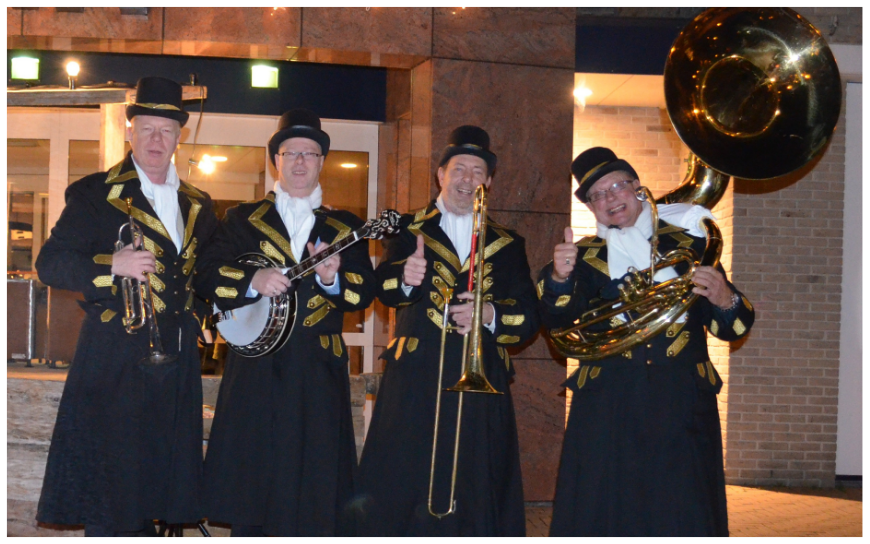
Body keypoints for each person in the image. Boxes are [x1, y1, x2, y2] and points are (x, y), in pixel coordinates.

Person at [35, 76, 217, 536]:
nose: (157, 139)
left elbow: (207, 274)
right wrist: (110, 264)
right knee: (113, 485)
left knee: (164, 481)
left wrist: (200, 315)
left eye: (167, 130)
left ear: (181, 137)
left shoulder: (198, 203)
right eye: (148, 128)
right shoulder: (96, 193)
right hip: (113, 356)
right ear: (130, 132)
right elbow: (51, 263)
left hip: (175, 359)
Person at [540, 147, 755, 536]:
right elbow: (555, 322)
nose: (610, 199)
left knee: (681, 508)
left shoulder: (690, 244)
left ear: (638, 190)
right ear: (591, 207)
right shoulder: (582, 257)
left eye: (617, 186)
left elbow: (735, 328)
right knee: (604, 507)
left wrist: (725, 298)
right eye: (598, 195)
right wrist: (558, 278)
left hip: (681, 402)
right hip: (608, 403)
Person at [199, 109, 377, 536]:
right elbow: (206, 275)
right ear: (275, 159)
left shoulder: (345, 226)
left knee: (315, 485)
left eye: (310, 154)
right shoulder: (241, 219)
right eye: (291, 152)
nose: (300, 162)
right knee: (254, 481)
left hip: (317, 371)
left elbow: (364, 293)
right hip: (256, 370)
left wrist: (333, 279)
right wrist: (252, 279)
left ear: (321, 162)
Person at [355, 126, 539, 536]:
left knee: (477, 478)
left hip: (481, 381)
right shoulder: (407, 229)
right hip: (415, 379)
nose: (467, 179)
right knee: (404, 477)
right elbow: (380, 289)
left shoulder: (509, 244)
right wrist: (405, 276)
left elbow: (528, 317)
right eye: (459, 169)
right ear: (440, 175)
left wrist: (490, 314)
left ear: (488, 182)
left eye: (478, 171)